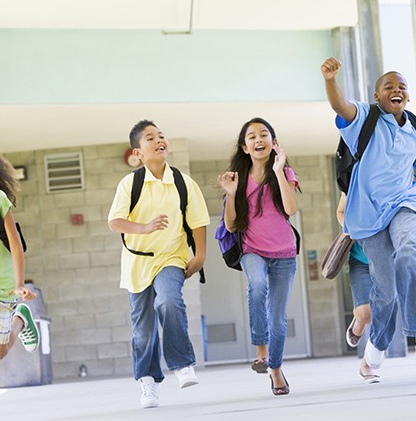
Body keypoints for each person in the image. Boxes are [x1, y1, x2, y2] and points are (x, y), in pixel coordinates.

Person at [321, 57, 416, 379]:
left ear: (407, 96)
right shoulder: (364, 117)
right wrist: (330, 80)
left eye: (401, 87)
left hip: (405, 201)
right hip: (366, 217)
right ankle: (376, 347)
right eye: (388, 87)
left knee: (409, 251)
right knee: (386, 291)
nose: (396, 90)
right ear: (377, 96)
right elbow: (341, 107)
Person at [108, 120, 210, 409]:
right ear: (138, 152)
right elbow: (114, 222)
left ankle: (182, 364)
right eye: (150, 138)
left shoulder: (183, 182)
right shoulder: (130, 183)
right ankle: (148, 382)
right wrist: (145, 227)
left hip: (171, 257)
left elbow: (199, 222)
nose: (159, 140)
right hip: (137, 263)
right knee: (143, 328)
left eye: (161, 136)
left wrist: (199, 256)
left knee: (168, 301)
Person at [218, 118, 299, 396]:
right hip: (252, 249)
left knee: (278, 319)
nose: (258, 139)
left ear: (273, 142)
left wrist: (278, 170)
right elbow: (230, 225)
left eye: (264, 134)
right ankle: (261, 350)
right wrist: (230, 195)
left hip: (285, 253)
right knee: (257, 285)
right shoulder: (237, 179)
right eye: (252, 136)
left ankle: (275, 369)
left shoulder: (284, 172)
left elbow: (290, 210)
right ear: (244, 147)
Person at [336, 193, 416, 383]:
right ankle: (358, 323)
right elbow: (341, 211)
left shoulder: (393, 181)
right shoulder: (354, 179)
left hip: (387, 261)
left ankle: (367, 363)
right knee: (366, 314)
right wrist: (350, 228)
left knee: (387, 301)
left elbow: (407, 214)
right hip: (362, 262)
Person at [0, 155, 39, 361]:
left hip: (2, 284)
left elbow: (15, 244)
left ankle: (20, 318)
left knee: (1, 351)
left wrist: (19, 283)